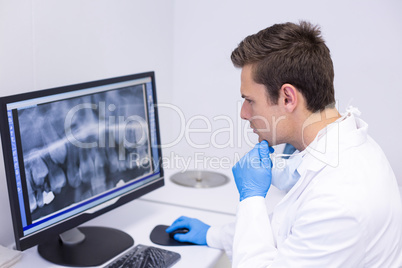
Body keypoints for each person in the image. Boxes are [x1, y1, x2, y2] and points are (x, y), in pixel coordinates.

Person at [166, 21, 402, 267]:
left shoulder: (337, 200)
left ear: (288, 98)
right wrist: (213, 235)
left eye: (249, 100)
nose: (243, 113)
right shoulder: (349, 147)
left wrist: (251, 198)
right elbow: (287, 231)